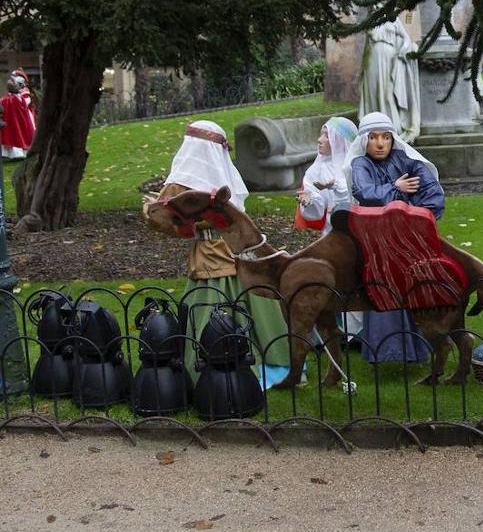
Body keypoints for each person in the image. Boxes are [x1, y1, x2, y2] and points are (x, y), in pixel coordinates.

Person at [144, 120, 292, 382]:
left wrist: (149, 212)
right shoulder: (221, 176)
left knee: (211, 305)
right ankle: (274, 362)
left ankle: (204, 372)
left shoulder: (181, 180)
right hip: (237, 249)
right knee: (251, 302)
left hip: (212, 255)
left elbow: (165, 221)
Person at [346, 112, 444, 363]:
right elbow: (365, 193)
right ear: (364, 141)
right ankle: (388, 351)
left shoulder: (409, 161)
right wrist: (396, 189)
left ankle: (420, 348)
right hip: (378, 242)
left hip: (411, 241)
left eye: (386, 137)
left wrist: (410, 219)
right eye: (374, 137)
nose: (380, 143)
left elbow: (433, 197)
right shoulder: (361, 164)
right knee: (384, 290)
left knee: (417, 290)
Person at [296, 116, 363, 337]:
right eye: (322, 133)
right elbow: (317, 211)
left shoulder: (355, 167)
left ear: (340, 141)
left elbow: (354, 202)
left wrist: (335, 186)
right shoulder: (315, 170)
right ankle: (337, 330)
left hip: (357, 236)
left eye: (326, 135)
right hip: (330, 235)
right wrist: (309, 202)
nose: (320, 139)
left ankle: (360, 331)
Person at [359, 19, 421, 143]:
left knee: (388, 95)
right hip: (372, 58)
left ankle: (392, 129)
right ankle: (373, 128)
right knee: (373, 94)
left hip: (389, 58)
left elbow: (406, 38)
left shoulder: (394, 19)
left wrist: (404, 50)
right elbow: (367, 44)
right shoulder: (371, 20)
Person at [1, 69, 36, 160]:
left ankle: (21, 153)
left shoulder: (24, 94)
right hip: (13, 118)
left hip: (23, 118)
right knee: (13, 133)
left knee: (22, 133)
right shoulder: (9, 98)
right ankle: (12, 154)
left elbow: (26, 103)